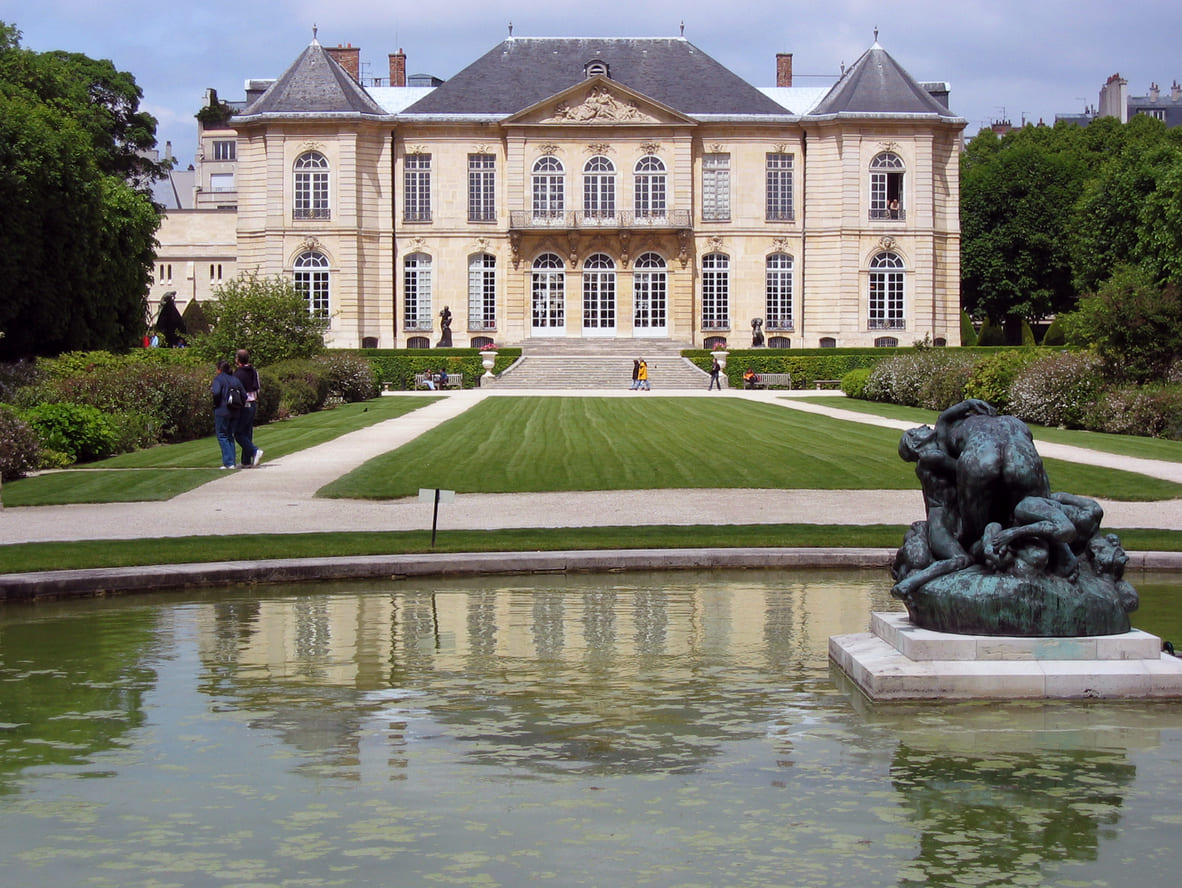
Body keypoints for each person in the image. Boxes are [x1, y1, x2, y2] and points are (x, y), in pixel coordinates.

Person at [211, 360, 247, 469]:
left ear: (219, 369)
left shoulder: (218, 379)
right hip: (235, 411)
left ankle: (228, 462)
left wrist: (216, 403)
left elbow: (216, 392)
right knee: (230, 436)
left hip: (222, 411)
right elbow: (244, 395)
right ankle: (232, 462)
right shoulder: (235, 380)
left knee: (222, 435)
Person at [233, 348, 262, 468]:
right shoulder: (253, 371)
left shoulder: (238, 374)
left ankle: (254, 451)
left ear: (238, 360)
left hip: (244, 404)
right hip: (253, 403)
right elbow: (257, 387)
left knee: (238, 433)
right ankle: (246, 461)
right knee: (247, 432)